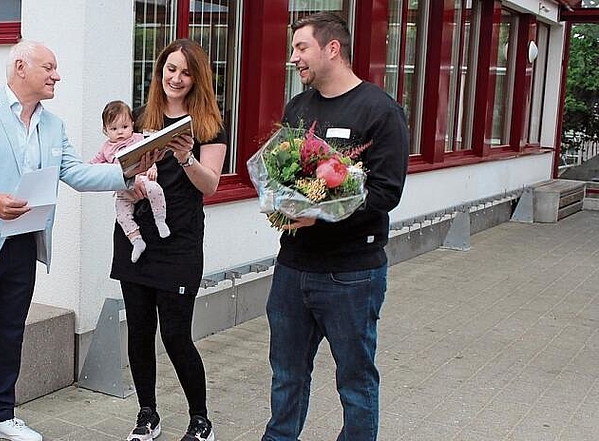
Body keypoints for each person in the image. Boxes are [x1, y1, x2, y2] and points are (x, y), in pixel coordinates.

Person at [0, 41, 159, 441]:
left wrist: (128, 175)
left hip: (23, 243)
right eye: (50, 67)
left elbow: (75, 172)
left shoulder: (53, 125)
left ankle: (1, 415)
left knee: (10, 335)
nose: (57, 75)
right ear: (21, 67)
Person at [261, 12, 409, 441]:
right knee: (286, 375)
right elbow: (282, 171)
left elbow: (386, 192)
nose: (294, 59)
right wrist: (279, 199)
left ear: (332, 48)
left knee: (355, 380)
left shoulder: (380, 111)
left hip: (351, 273)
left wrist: (324, 210)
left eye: (301, 48)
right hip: (293, 267)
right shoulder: (298, 107)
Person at [110, 39, 226, 441]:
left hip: (179, 243)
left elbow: (209, 185)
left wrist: (186, 157)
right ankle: (147, 416)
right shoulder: (140, 118)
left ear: (197, 78)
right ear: (160, 72)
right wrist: (131, 174)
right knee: (139, 330)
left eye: (185, 71)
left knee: (176, 335)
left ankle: (200, 420)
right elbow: (118, 169)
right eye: (170, 69)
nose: (176, 78)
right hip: (137, 237)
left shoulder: (209, 125)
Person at [90, 100, 170, 263]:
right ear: (105, 130)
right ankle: (136, 240)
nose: (120, 132)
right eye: (114, 129)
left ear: (132, 124)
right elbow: (93, 165)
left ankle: (160, 219)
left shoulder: (138, 139)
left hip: (142, 179)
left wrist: (152, 168)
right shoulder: (106, 148)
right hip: (122, 190)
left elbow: (150, 152)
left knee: (155, 189)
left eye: (124, 127)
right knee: (122, 216)